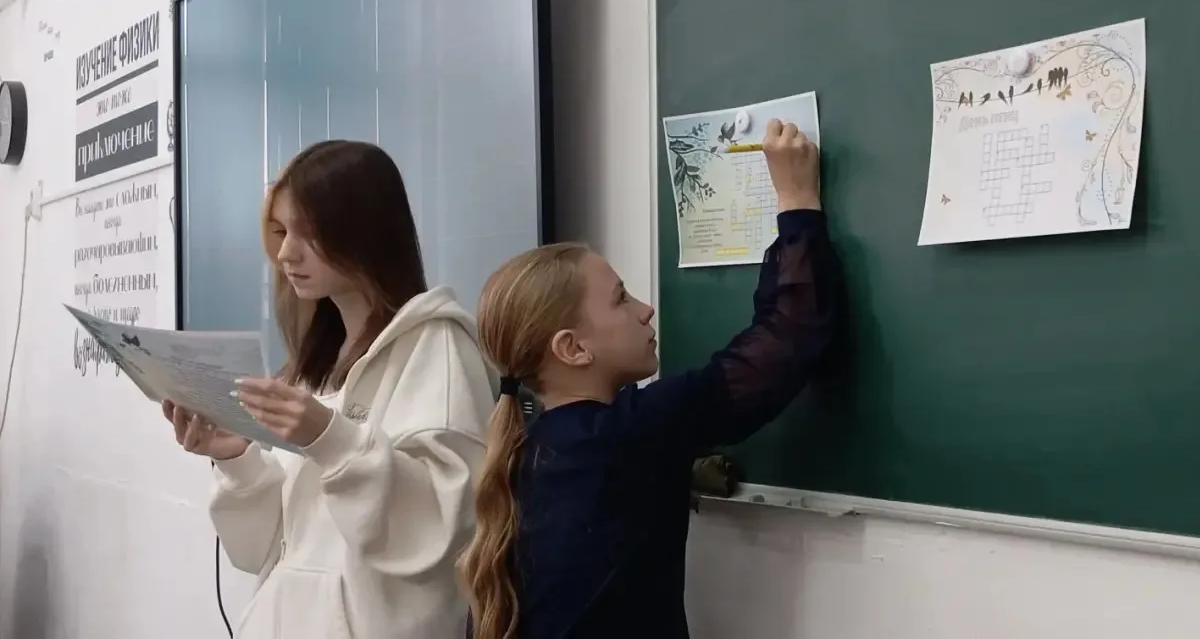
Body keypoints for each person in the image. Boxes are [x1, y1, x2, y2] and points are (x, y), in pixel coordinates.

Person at [458, 119, 847, 639]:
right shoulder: (628, 435)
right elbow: (790, 336)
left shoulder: (536, 450)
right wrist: (796, 199)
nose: (645, 309)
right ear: (572, 348)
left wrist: (682, 466)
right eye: (620, 298)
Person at [162, 140, 495, 639]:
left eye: (308, 232)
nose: (285, 253)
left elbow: (443, 529)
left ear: (363, 230)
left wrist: (331, 439)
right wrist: (237, 459)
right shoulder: (312, 368)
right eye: (281, 231)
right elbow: (262, 550)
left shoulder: (437, 348)